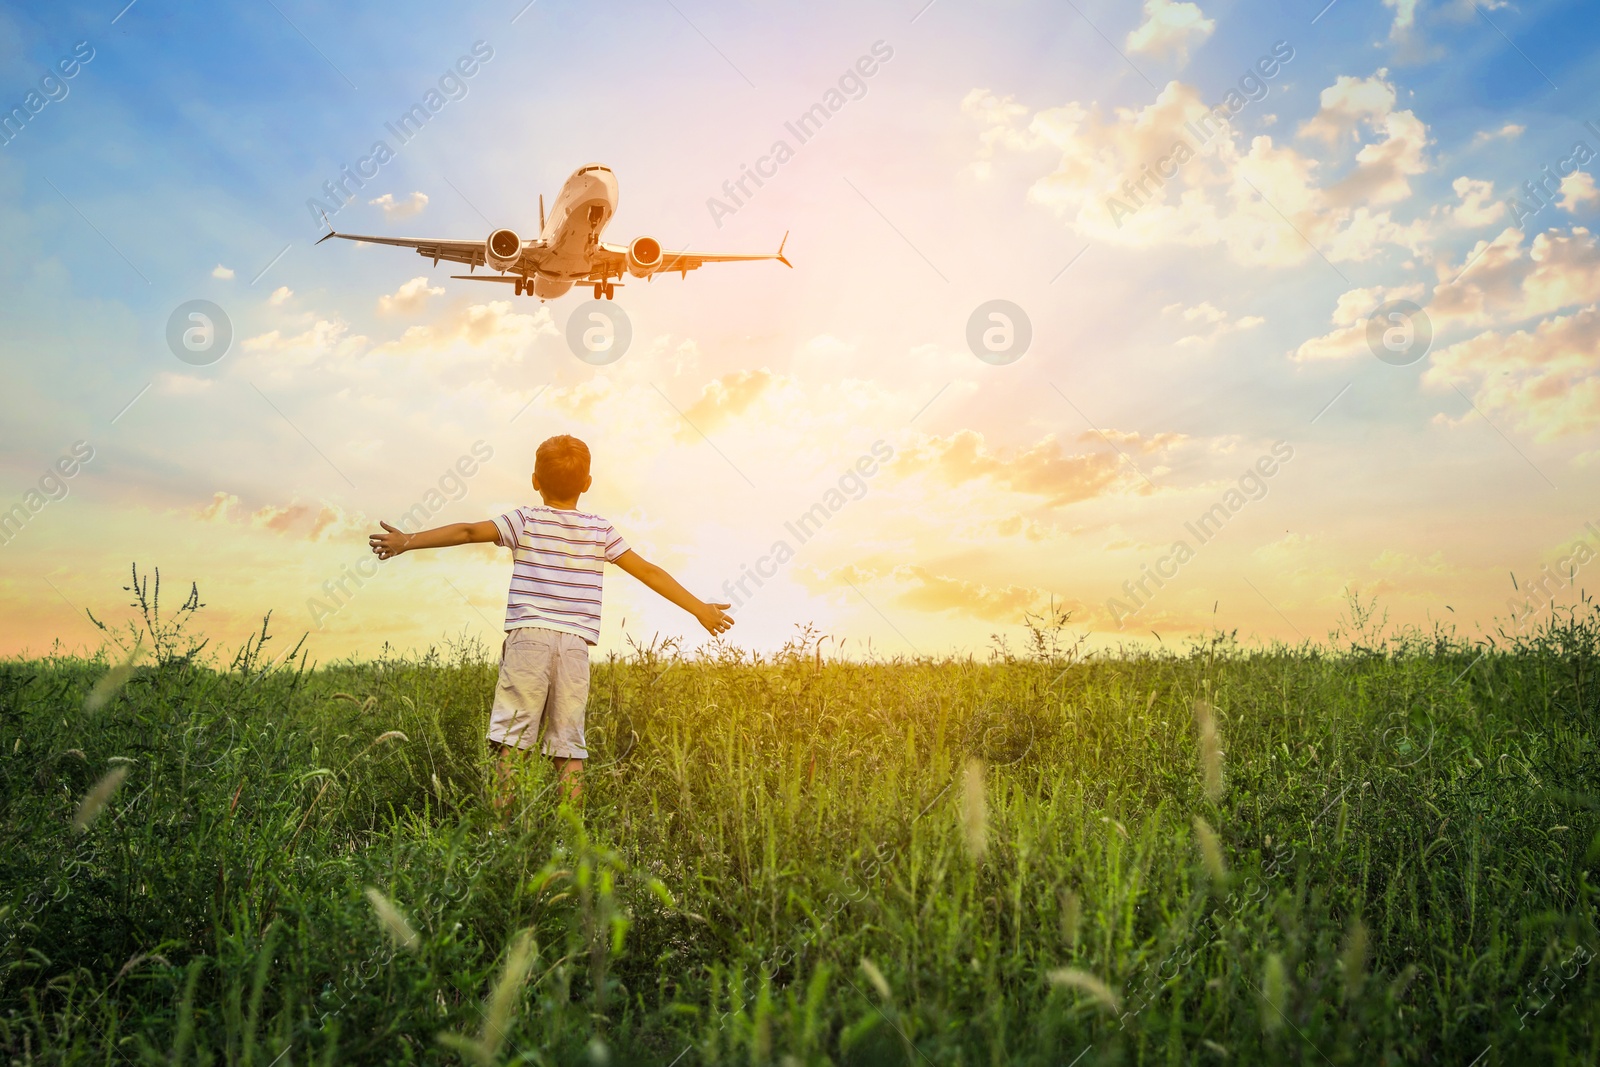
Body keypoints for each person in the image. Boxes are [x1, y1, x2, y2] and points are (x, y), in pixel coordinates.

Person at [368, 434, 733, 805]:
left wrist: (408, 540)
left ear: (535, 480)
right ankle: (569, 840)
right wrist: (699, 609)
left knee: (511, 743)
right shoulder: (600, 530)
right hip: (574, 645)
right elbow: (649, 572)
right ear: (587, 484)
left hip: (529, 640)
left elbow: (466, 531)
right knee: (568, 747)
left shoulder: (525, 520)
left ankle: (500, 834)